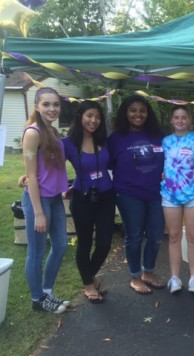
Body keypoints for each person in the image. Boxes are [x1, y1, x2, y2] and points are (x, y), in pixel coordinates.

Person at [108, 95, 165, 295]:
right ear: (125, 113)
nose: (138, 114)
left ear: (148, 114)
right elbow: (106, 163)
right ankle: (135, 276)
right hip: (128, 194)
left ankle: (148, 272)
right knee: (134, 236)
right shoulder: (116, 138)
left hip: (156, 193)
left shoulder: (157, 135)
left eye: (142, 110)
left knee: (156, 235)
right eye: (133, 110)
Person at [22, 87, 69, 313]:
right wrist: (38, 212)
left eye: (56, 104)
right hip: (37, 201)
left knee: (60, 246)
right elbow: (31, 175)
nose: (52, 109)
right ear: (37, 107)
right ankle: (37, 299)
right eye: (46, 104)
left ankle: (47, 292)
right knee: (37, 252)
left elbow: (46, 167)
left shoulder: (52, 131)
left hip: (55, 199)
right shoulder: (33, 133)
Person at [63, 101, 115, 304]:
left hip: (106, 196)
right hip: (82, 197)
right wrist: (28, 175)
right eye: (89, 116)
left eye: (97, 117)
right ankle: (88, 285)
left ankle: (89, 275)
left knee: (104, 243)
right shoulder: (67, 143)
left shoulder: (104, 140)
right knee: (84, 243)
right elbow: (51, 165)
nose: (94, 120)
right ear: (80, 117)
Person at [161, 106, 194, 294]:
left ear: (189, 120)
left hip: (193, 194)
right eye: (176, 117)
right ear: (172, 121)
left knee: (193, 237)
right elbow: (160, 164)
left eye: (183, 117)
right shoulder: (165, 142)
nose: (180, 121)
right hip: (170, 195)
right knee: (173, 236)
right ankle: (175, 278)